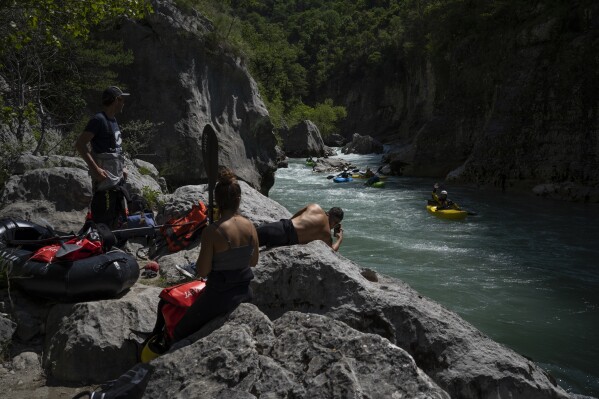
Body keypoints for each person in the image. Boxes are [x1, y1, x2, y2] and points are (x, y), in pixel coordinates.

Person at [172, 168, 259, 342]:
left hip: (219, 297)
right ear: (239, 200)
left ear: (217, 201)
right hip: (244, 293)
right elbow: (254, 261)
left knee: (179, 331)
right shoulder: (250, 226)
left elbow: (203, 271)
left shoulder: (212, 231)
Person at [75, 86, 130, 229]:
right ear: (116, 100)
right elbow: (80, 144)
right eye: (122, 99)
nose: (124, 102)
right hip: (104, 179)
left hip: (116, 177)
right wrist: (96, 169)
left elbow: (115, 148)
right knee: (102, 216)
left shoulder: (113, 120)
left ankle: (112, 242)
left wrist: (122, 167)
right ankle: (100, 242)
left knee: (115, 214)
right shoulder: (98, 120)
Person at [257, 204, 344, 251]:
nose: (334, 225)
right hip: (284, 238)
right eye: (335, 222)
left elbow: (293, 218)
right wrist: (340, 239)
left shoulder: (315, 207)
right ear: (329, 215)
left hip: (280, 225)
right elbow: (332, 250)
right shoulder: (326, 233)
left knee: (247, 239)